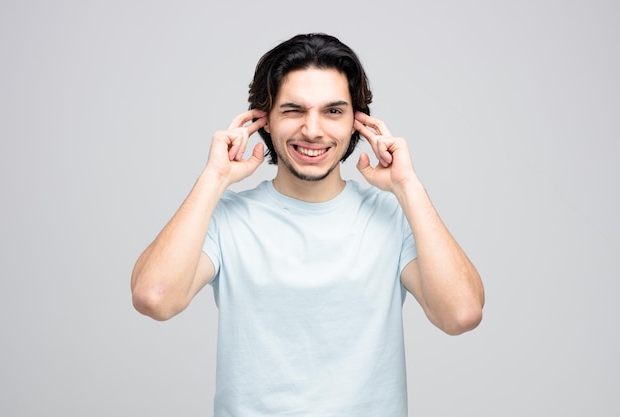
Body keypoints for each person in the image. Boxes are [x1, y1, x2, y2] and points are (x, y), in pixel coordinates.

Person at [131, 33, 485, 416]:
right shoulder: (226, 217)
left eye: (333, 111)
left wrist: (408, 186)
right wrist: (214, 177)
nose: (313, 130)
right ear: (263, 120)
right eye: (293, 110)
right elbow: (155, 298)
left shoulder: (394, 217)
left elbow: (461, 314)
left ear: (357, 123)